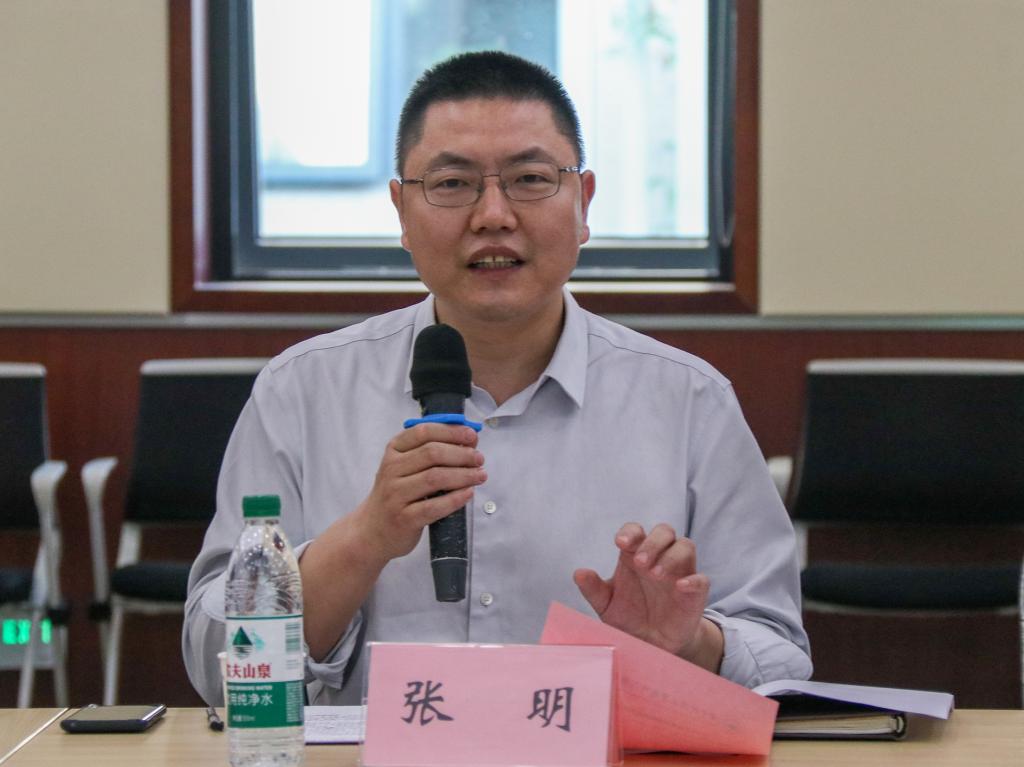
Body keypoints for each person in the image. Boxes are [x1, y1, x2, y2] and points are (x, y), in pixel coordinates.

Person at [183, 50, 811, 705]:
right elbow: (215, 662)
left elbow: (782, 657)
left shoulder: (690, 402)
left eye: (530, 179)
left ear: (583, 201)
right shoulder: (300, 393)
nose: (492, 215)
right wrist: (363, 539)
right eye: (452, 183)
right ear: (401, 211)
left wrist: (689, 643)